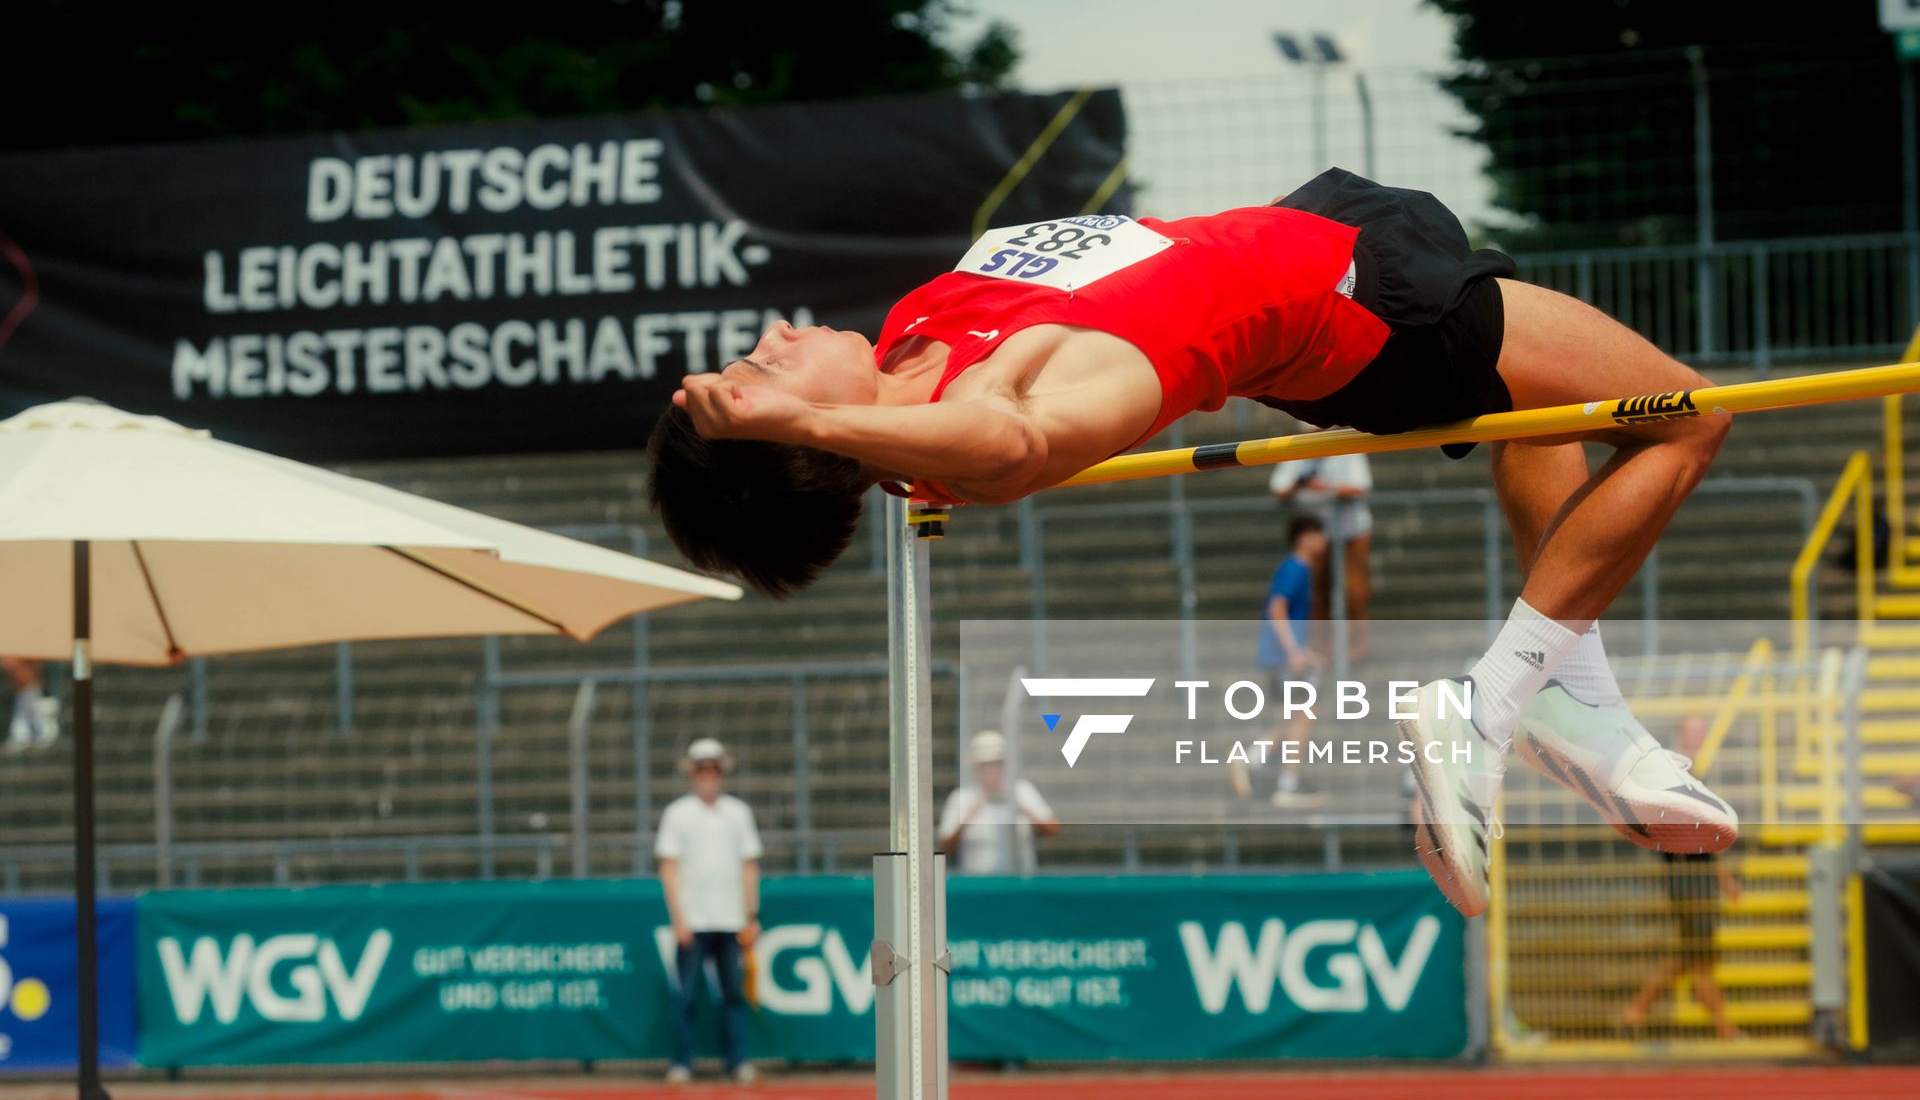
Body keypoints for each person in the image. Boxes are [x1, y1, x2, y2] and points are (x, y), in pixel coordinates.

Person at [649, 167, 1738, 916]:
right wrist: (802, 420)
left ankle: (1574, 705)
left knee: (1542, 410)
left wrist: (800, 413)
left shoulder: (911, 340)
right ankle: (1494, 707)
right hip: (1359, 308)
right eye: (763, 374)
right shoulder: (986, 420)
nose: (776, 337)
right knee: (1688, 415)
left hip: (1318, 233)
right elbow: (1012, 441)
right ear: (797, 438)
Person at [1620, 716, 1743, 1040]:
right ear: (1679, 737)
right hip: (1687, 881)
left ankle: (1641, 1008)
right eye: (1692, 734)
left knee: (1693, 955)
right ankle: (1721, 1026)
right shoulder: (1671, 779)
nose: (1697, 741)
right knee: (1696, 957)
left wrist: (1724, 878)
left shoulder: (1690, 778)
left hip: (1699, 879)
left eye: (1700, 734)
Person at [655, 737, 762, 1086]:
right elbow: (669, 869)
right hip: (694, 920)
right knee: (685, 995)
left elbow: (749, 866)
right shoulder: (677, 813)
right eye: (701, 768)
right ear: (692, 772)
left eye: (712, 768)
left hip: (730, 919)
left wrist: (751, 914)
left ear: (721, 771)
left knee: (733, 994)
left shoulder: (738, 812)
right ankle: (682, 1062)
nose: (707, 774)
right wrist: (679, 919)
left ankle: (738, 1062)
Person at [1230, 515, 1327, 807]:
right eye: (1318, 534)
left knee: (1300, 717)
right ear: (1304, 537)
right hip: (1281, 658)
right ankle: (1279, 779)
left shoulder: (1300, 569)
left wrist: (1302, 650)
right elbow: (1277, 607)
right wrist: (1293, 652)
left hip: (1282, 656)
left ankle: (1257, 761)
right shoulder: (1295, 568)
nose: (1324, 541)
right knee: (1304, 715)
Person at [1269, 441, 1373, 662]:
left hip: (1350, 531)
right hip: (1318, 535)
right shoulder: (1296, 448)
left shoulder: (1347, 447)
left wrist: (1324, 487)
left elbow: (1361, 486)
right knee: (1316, 595)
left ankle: (1356, 647)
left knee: (1354, 592)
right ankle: (1323, 649)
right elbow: (1279, 487)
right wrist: (1300, 485)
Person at [937, 729, 1060, 874]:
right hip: (978, 886)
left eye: (996, 764)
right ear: (974, 768)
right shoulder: (961, 798)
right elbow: (944, 846)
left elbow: (1053, 829)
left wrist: (1023, 807)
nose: (991, 771)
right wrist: (967, 819)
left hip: (1021, 884)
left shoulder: (1022, 790)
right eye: (984, 766)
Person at [5, 656, 58, 750]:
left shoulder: (30, 659)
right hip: (24, 693)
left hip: (32, 690)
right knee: (21, 728)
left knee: (38, 724)